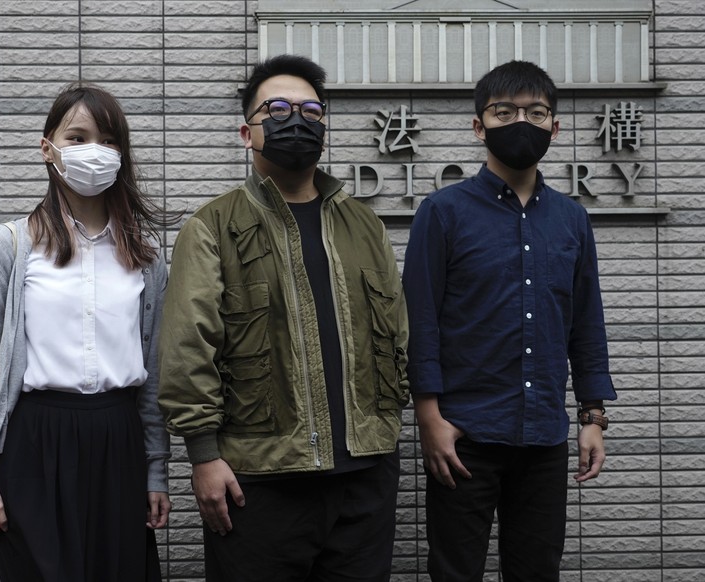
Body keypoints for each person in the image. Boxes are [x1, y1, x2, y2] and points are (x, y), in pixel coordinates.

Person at [157, 54, 409, 582]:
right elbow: (186, 349)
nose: (295, 119)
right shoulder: (212, 227)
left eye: (310, 110)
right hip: (258, 481)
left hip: (365, 477)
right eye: (276, 108)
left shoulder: (365, 225)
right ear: (247, 133)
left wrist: (389, 437)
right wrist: (202, 456)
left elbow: (397, 336)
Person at [402, 60, 618, 581]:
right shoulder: (443, 211)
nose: (522, 121)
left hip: (545, 436)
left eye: (536, 112)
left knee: (537, 569)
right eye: (505, 111)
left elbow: (586, 321)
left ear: (555, 126)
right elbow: (419, 320)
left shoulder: (571, 218)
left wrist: (593, 418)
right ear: (480, 125)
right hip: (464, 434)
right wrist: (429, 419)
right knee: (455, 571)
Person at [0, 82, 172, 581]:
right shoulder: (7, 247)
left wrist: (156, 469)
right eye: (76, 137)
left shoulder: (147, 257)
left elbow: (153, 377)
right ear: (47, 147)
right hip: (34, 441)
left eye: (107, 139)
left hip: (119, 442)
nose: (92, 151)